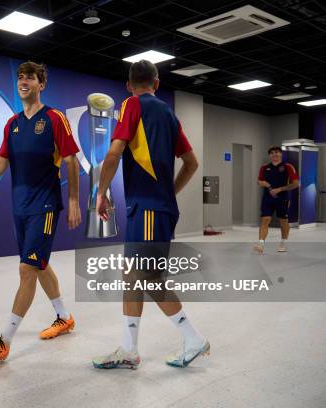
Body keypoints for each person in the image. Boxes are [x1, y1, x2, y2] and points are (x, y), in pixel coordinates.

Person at [91, 59, 209, 369]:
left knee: (149, 277)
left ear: (129, 86)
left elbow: (115, 152)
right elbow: (192, 163)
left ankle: (193, 337)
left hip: (148, 210)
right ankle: (129, 349)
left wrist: (100, 194)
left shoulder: (131, 105)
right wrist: (168, 192)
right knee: (132, 275)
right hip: (151, 209)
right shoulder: (169, 114)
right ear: (156, 84)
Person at [0, 61, 82, 362]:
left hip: (45, 205)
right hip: (20, 207)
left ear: (41, 85)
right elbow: (2, 162)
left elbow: (71, 161)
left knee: (27, 268)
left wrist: (76, 201)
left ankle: (4, 340)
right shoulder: (11, 124)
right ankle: (64, 317)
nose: (23, 81)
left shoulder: (55, 119)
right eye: (20, 77)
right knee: (38, 264)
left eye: (30, 77)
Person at [254, 146, 299, 254]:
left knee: (283, 221)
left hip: (282, 198)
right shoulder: (264, 167)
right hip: (267, 198)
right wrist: (264, 183)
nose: (275, 155)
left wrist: (280, 189)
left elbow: (295, 184)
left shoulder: (288, 167)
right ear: (270, 155)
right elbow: (259, 181)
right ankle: (261, 244)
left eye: (277, 152)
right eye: (272, 153)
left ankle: (283, 242)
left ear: (281, 154)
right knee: (265, 220)